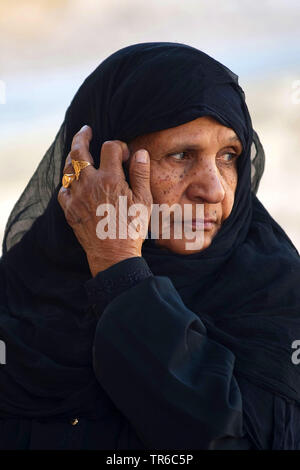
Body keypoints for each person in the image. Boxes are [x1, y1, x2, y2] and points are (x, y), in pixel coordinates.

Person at [0, 41, 300, 450]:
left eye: (229, 156)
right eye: (180, 155)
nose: (214, 189)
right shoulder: (20, 296)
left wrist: (119, 269)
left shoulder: (276, 300)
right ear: (102, 168)